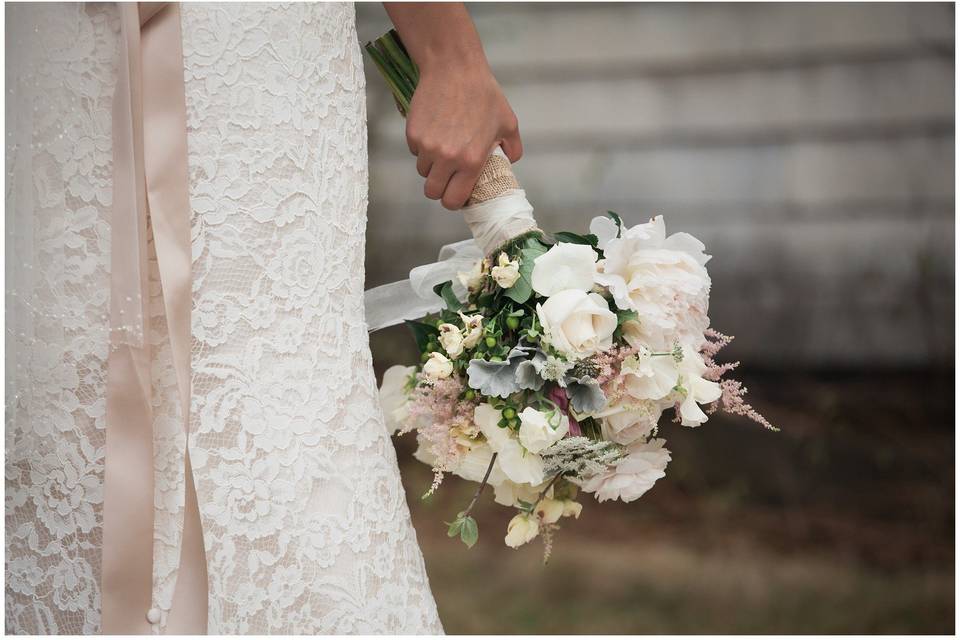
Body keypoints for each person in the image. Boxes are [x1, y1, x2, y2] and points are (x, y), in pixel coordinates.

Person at [4, 2, 521, 634]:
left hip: (256, 54)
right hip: (46, 65)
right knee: (62, 394)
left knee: (275, 390)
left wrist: (449, 54)